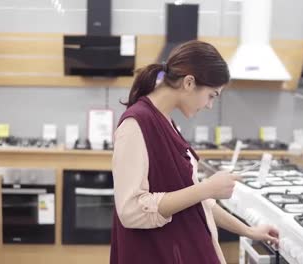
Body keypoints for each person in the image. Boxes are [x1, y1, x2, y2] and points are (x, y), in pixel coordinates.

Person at [111, 40, 279, 264]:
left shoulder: (166, 123)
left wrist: (249, 231)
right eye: (212, 95)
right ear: (189, 83)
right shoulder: (135, 124)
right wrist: (206, 188)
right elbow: (130, 210)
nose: (210, 105)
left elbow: (196, 202)